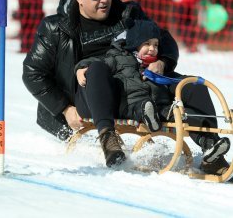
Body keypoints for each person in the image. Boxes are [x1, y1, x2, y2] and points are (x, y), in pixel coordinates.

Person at [23, 0, 229, 174]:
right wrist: (64, 109)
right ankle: (109, 139)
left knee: (192, 86)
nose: (104, 0)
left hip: (139, 84)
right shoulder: (56, 28)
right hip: (92, 94)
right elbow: (33, 73)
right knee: (98, 70)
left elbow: (165, 40)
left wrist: (163, 62)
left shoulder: (128, 14)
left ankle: (211, 148)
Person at [76, 19, 230, 166]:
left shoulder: (156, 67)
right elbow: (99, 63)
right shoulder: (119, 59)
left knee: (189, 109)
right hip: (129, 105)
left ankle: (209, 146)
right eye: (147, 44)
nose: (152, 48)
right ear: (134, 44)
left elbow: (173, 80)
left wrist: (190, 83)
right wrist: (82, 67)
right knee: (143, 105)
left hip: (161, 108)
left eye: (156, 45)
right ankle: (142, 119)